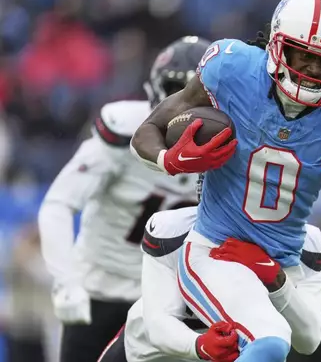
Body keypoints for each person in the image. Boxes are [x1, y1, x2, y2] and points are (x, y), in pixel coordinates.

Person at [130, 0, 321, 362]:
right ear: (278, 44)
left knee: (297, 338)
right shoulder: (231, 69)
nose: (315, 70)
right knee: (270, 339)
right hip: (217, 249)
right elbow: (147, 132)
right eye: (305, 54)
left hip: (283, 258)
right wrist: (171, 159)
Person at [38, 36, 209, 362]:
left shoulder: (237, 142)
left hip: (172, 301)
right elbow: (59, 204)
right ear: (155, 94)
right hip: (103, 290)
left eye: (201, 95)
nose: (188, 106)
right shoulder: (123, 133)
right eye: (178, 91)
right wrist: (65, 281)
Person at [97, 201, 321, 362]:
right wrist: (199, 345)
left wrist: (276, 279)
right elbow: (158, 325)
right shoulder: (173, 231)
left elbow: (308, 341)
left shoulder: (307, 245)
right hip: (150, 355)